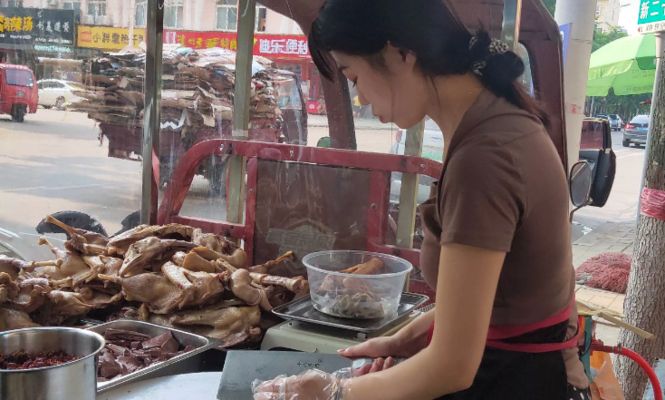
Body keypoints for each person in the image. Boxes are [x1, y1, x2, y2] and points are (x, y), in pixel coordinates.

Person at [253, 0, 590, 399]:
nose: (359, 98)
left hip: (509, 382)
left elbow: (451, 367)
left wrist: (332, 392)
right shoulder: (493, 122)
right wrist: (404, 338)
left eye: (353, 75)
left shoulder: (485, 157)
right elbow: (493, 300)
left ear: (400, 53)